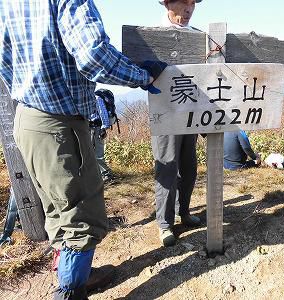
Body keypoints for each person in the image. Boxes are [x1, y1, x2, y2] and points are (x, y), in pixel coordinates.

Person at [0, 1, 166, 299]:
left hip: (27, 117)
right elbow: (94, 56)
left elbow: (5, 59)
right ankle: (70, 290)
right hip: (60, 125)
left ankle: (77, 273)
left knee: (57, 207)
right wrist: (143, 76)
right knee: (82, 215)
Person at [153, 0, 203, 247]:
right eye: (182, 1)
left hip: (191, 113)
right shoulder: (153, 37)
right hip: (165, 115)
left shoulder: (198, 37)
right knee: (167, 168)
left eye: (192, 3)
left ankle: (183, 212)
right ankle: (164, 224)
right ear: (167, 4)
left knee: (189, 168)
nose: (188, 8)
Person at [90, 89, 118, 185]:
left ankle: (107, 175)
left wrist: (104, 128)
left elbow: (103, 113)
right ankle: (100, 174)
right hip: (91, 127)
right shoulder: (89, 97)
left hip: (97, 128)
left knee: (98, 153)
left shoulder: (97, 98)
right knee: (91, 152)